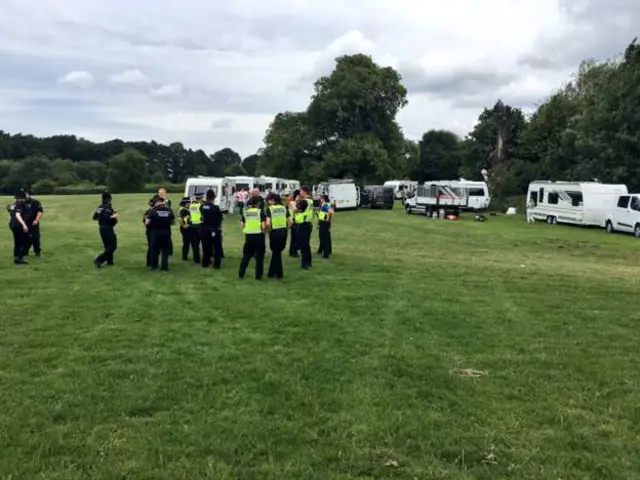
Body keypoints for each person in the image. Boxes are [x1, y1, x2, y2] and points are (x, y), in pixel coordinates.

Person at [238, 196, 266, 280]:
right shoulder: (260, 212)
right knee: (259, 257)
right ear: (257, 203)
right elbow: (263, 225)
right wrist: (263, 231)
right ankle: (258, 276)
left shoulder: (246, 212)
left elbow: (242, 224)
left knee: (246, 256)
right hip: (258, 235)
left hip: (249, 236)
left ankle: (241, 273)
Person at [145, 196, 175, 271]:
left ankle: (154, 266)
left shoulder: (153, 210)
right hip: (166, 232)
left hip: (155, 233)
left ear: (156, 202)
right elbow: (172, 222)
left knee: (154, 249)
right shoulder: (169, 210)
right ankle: (164, 267)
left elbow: (147, 223)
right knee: (165, 250)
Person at [265, 192, 289, 279]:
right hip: (283, 231)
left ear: (273, 200)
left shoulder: (270, 209)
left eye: (268, 200)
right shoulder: (284, 208)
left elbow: (267, 224)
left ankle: (278, 274)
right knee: (277, 252)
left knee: (276, 252)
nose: (267, 202)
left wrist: (269, 231)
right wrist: (286, 229)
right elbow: (290, 221)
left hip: (274, 232)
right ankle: (272, 273)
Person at [92, 190, 119, 268]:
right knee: (113, 246)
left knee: (107, 246)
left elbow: (94, 217)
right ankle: (99, 260)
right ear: (109, 199)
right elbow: (107, 217)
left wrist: (101, 219)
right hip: (108, 228)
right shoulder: (108, 208)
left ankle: (110, 262)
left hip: (101, 228)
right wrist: (114, 216)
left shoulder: (100, 207)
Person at [200, 188, 224, 269]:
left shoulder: (202, 206)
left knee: (206, 247)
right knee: (217, 247)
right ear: (213, 198)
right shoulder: (215, 207)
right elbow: (220, 217)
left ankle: (205, 263)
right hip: (215, 230)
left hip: (205, 229)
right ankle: (216, 265)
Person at [293, 186, 314, 269]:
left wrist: (294, 203)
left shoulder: (304, 201)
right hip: (308, 224)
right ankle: (309, 262)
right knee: (306, 244)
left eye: (301, 191)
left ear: (305, 192)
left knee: (303, 245)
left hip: (303, 225)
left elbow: (295, 210)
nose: (300, 193)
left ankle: (304, 264)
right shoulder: (310, 200)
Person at [9, 190, 29, 264]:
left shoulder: (14, 204)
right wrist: (24, 225)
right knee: (23, 241)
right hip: (18, 225)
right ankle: (20, 258)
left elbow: (11, 214)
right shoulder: (21, 203)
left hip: (12, 224)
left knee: (17, 241)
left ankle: (16, 257)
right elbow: (18, 215)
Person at [24, 190, 43, 257]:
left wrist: (36, 220)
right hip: (24, 223)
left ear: (28, 194)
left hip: (33, 222)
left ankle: (37, 252)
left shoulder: (35, 202)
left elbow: (40, 211)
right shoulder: (20, 202)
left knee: (35, 237)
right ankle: (25, 251)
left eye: (25, 194)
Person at [316, 194, 333, 259]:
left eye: (321, 198)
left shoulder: (325, 205)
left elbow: (331, 212)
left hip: (324, 223)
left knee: (324, 238)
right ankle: (326, 250)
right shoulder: (324, 205)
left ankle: (326, 254)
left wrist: (328, 220)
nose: (320, 200)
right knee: (325, 237)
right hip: (323, 222)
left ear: (324, 199)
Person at [157, 188, 173, 256]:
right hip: (158, 220)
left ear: (165, 193)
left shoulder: (167, 201)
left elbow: (168, 209)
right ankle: (159, 249)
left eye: (162, 193)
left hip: (166, 221)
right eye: (159, 193)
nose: (160, 194)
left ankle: (169, 250)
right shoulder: (156, 200)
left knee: (168, 236)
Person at [178, 197, 194, 261]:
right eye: (189, 202)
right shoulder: (183, 210)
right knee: (186, 243)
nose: (190, 203)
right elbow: (179, 218)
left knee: (190, 242)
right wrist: (183, 225)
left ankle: (186, 257)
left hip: (189, 228)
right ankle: (184, 257)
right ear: (185, 203)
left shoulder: (186, 209)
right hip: (186, 229)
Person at [188, 195, 203, 264]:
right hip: (199, 225)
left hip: (192, 226)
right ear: (200, 199)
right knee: (204, 243)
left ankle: (196, 259)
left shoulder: (191, 205)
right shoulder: (200, 205)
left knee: (195, 244)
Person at [143, 197, 156, 268]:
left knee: (150, 247)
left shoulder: (147, 212)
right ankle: (152, 262)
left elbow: (144, 222)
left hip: (149, 231)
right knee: (153, 248)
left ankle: (149, 262)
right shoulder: (153, 212)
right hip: (153, 231)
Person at [288, 189, 300, 257]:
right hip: (293, 220)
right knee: (294, 237)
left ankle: (293, 251)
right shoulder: (292, 202)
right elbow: (295, 210)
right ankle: (293, 252)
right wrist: (297, 201)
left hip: (296, 220)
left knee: (295, 237)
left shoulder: (294, 202)